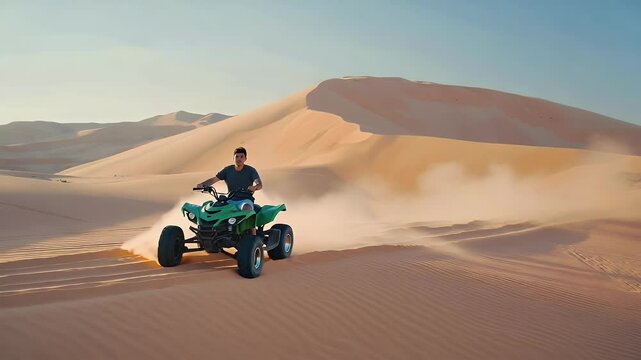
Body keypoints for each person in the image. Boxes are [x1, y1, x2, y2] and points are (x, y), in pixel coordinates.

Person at [196, 147, 263, 234]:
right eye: (237, 157)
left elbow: (260, 185)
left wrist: (254, 187)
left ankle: (253, 238)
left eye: (241, 157)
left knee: (247, 208)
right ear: (233, 158)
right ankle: (209, 232)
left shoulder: (251, 170)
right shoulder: (228, 170)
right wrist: (202, 184)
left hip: (245, 200)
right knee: (212, 208)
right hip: (230, 200)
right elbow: (213, 180)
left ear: (245, 159)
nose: (239, 159)